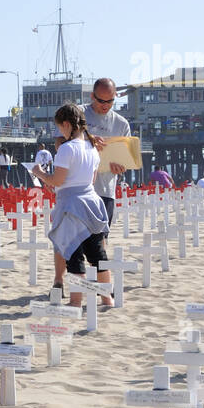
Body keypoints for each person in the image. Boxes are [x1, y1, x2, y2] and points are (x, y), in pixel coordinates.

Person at [31, 103, 112, 307]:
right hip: (92, 202)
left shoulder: (67, 149)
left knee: (73, 254)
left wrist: (39, 173)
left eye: (60, 128)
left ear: (66, 124)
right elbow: (90, 180)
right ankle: (107, 298)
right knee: (97, 255)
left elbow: (58, 180)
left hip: (71, 206)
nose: (60, 132)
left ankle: (76, 301)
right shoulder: (92, 148)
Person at [85, 78, 130, 230]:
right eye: (101, 101)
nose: (105, 105)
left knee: (100, 242)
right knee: (75, 245)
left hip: (105, 191)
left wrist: (121, 167)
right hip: (78, 190)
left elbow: (125, 160)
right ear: (92, 96)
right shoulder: (78, 113)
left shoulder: (122, 124)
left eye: (110, 101)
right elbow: (60, 144)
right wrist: (87, 140)